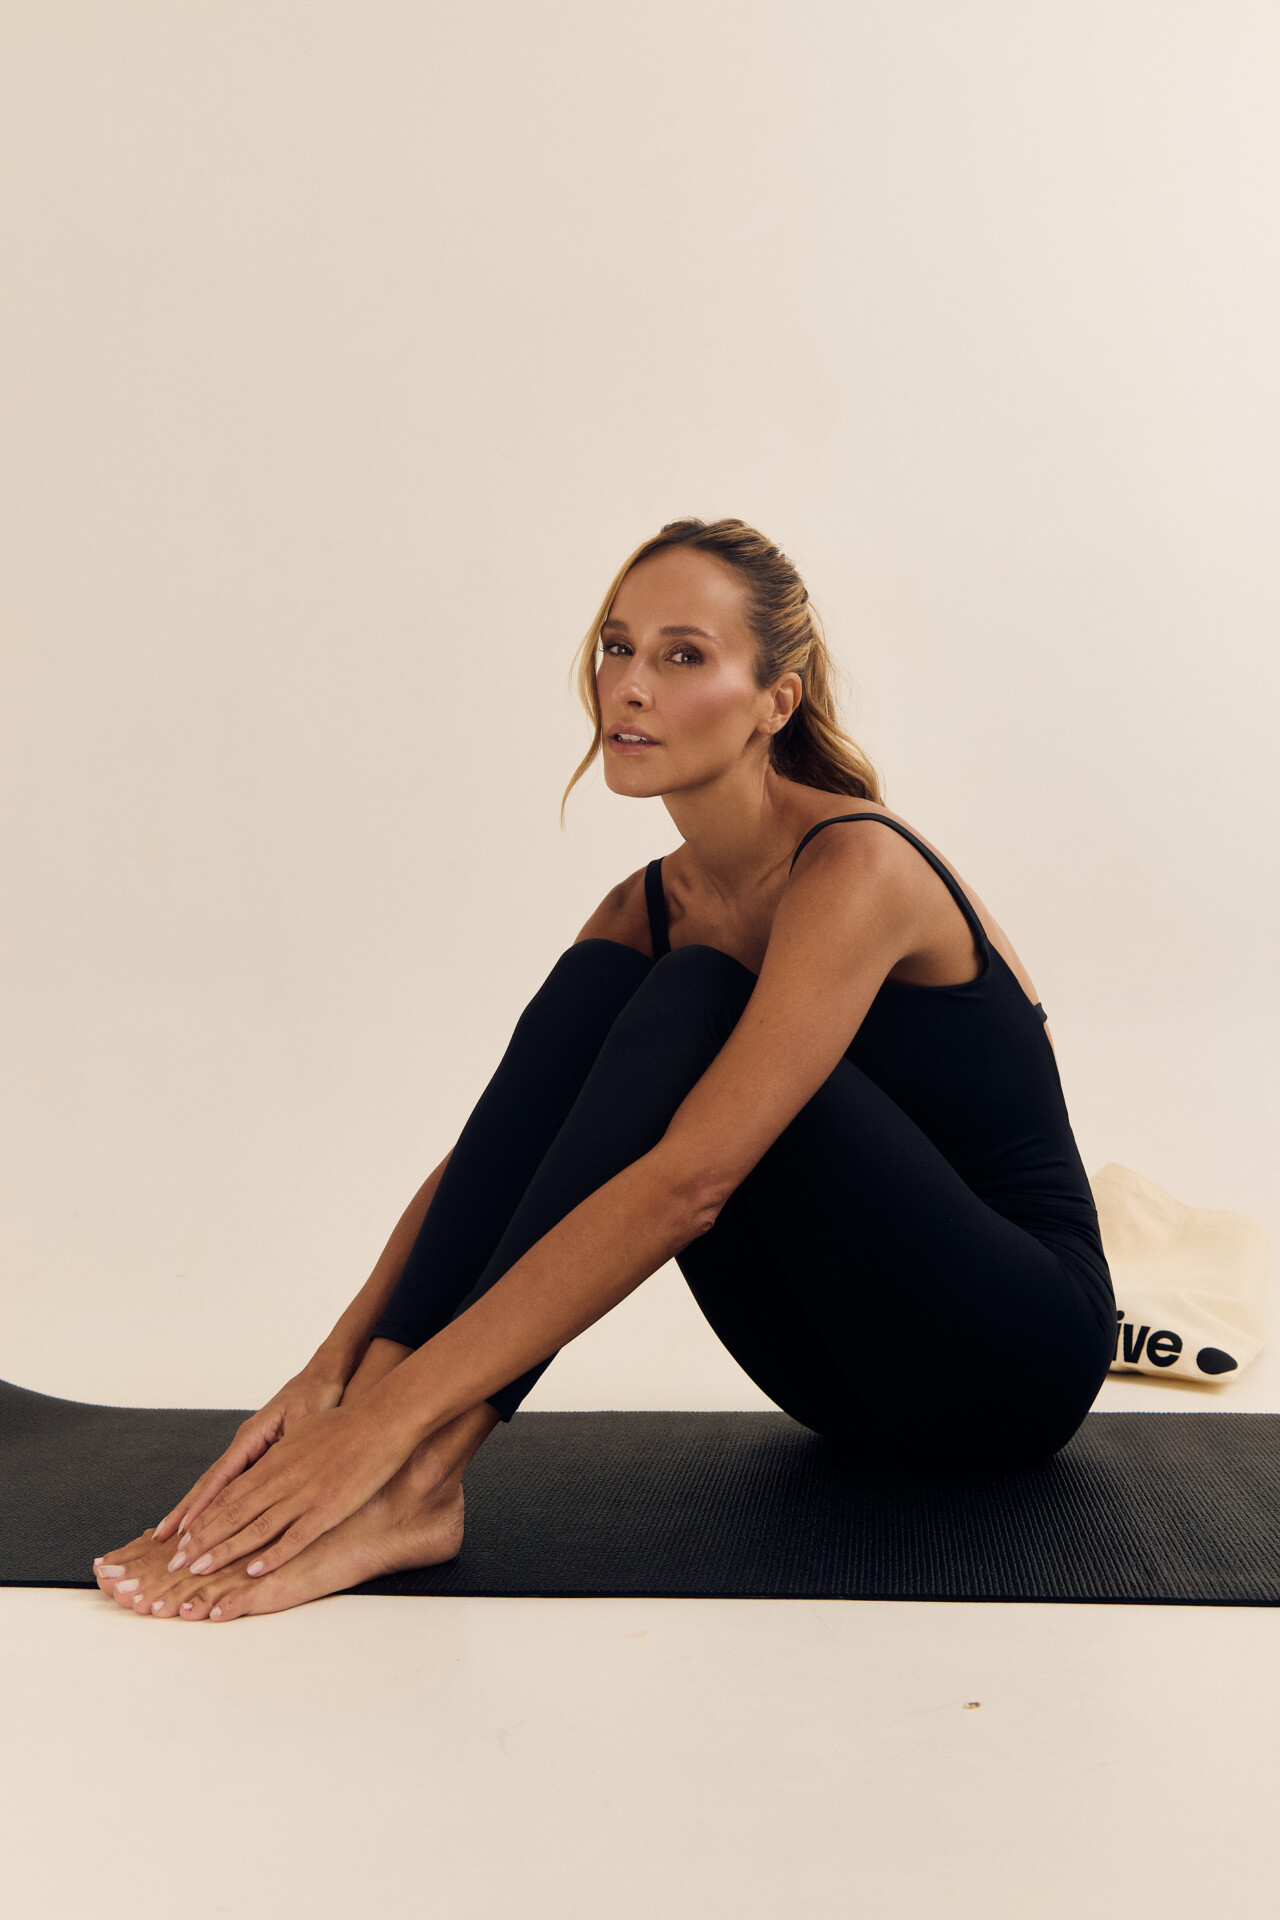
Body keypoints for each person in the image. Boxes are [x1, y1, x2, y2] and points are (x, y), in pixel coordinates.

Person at [92, 516, 1115, 1624]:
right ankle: (389, 1452)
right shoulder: (644, 908)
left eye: (683, 655)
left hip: (1010, 1366)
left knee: (693, 994)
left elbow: (691, 1185)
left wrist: (385, 1431)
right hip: (836, 1382)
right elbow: (496, 1152)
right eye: (617, 647)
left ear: (775, 700)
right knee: (613, 988)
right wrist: (331, 1376)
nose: (629, 685)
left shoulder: (856, 864)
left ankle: (418, 1477)